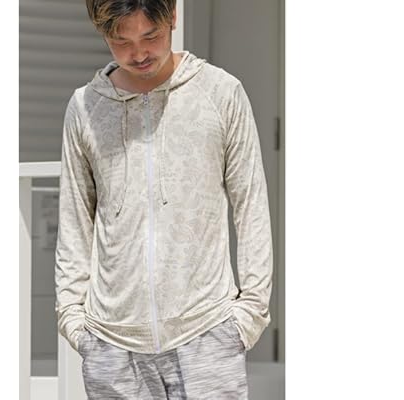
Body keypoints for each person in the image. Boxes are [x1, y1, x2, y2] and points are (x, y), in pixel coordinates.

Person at [55, 0, 273, 398]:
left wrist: (249, 315)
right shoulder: (85, 107)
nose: (138, 53)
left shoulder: (220, 93)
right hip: (111, 343)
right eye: (121, 41)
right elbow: (74, 218)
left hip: (208, 333)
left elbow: (252, 206)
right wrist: (73, 320)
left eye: (150, 36)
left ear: (172, 15)